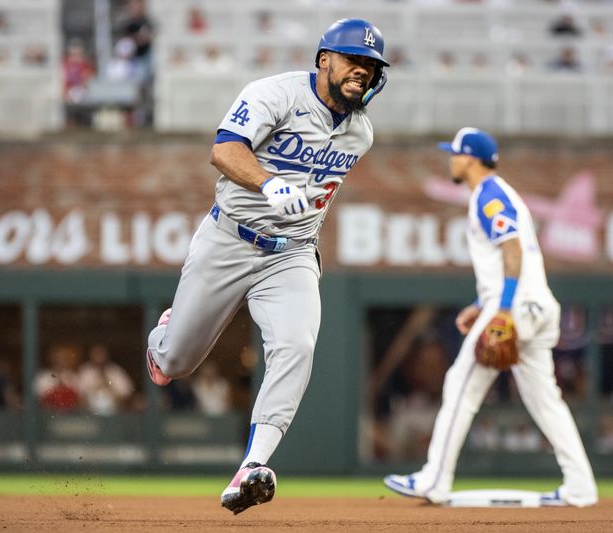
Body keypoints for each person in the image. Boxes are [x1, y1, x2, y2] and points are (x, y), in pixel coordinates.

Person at [144, 18, 389, 516]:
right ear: (324, 59)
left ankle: (251, 467)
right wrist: (271, 183)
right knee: (176, 363)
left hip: (292, 253)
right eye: (352, 60)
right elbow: (224, 149)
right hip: (229, 239)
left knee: (296, 345)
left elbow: (318, 194)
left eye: (370, 65)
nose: (361, 71)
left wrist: (298, 220)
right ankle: (163, 338)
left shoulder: (360, 134)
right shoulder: (274, 94)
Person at [384, 128, 597, 507]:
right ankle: (580, 486)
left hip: (514, 305)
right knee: (546, 400)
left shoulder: (489, 194)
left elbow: (512, 248)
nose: (451, 159)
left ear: (469, 158)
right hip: (536, 305)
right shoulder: (497, 193)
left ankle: (434, 479)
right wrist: (484, 304)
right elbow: (514, 259)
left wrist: (500, 308)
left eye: (454, 153)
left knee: (459, 386)